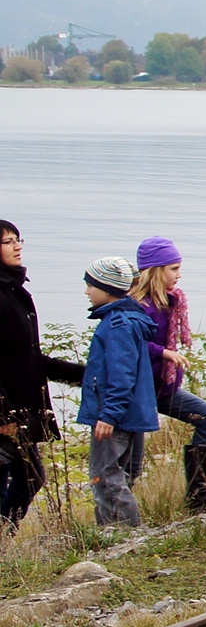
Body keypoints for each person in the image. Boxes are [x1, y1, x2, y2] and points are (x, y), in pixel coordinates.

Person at [128, 238, 206, 512]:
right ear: (155, 271)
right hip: (138, 391)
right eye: (174, 268)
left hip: (164, 388)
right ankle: (120, 516)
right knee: (131, 462)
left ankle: (198, 492)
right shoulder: (136, 306)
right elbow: (129, 343)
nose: (179, 275)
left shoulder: (172, 302)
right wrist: (164, 353)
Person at [0, 221, 83, 530]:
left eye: (18, 239)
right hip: (7, 414)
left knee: (30, 476)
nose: (17, 246)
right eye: (8, 242)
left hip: (20, 410)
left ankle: (4, 535)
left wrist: (85, 375)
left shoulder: (15, 292)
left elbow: (31, 358)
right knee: (26, 476)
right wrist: (3, 414)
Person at [76, 256, 157, 530]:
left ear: (108, 288)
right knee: (122, 473)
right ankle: (120, 530)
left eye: (90, 286)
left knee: (104, 475)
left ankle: (121, 532)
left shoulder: (117, 325)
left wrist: (109, 414)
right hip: (130, 412)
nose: (86, 292)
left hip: (114, 416)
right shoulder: (129, 320)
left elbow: (121, 375)